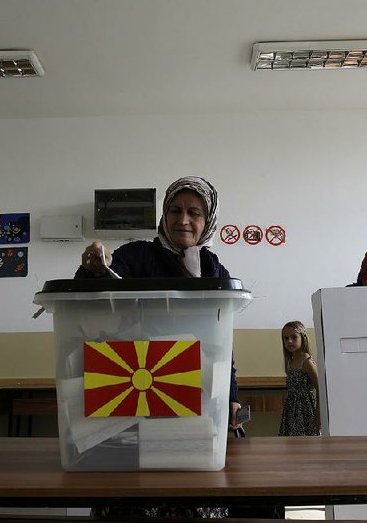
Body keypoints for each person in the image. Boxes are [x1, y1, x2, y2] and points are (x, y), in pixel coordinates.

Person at [76, 176, 248, 518]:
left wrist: (231, 396)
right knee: (132, 495)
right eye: (175, 210)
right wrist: (94, 264)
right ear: (164, 215)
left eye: (194, 212)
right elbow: (93, 286)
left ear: (208, 219)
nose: (183, 220)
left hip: (196, 402)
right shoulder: (138, 255)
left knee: (192, 493)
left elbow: (221, 344)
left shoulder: (214, 270)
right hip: (131, 393)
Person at [278, 321, 321, 436]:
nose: (289, 341)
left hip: (306, 410)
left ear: (303, 338)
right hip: (291, 410)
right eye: (286, 338)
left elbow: (320, 389)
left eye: (294, 337)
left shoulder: (307, 362)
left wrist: (318, 414)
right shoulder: (291, 361)